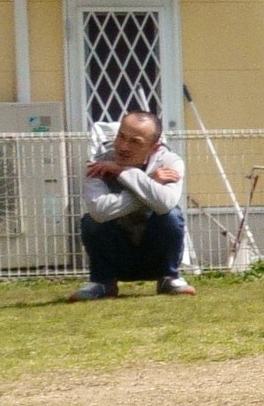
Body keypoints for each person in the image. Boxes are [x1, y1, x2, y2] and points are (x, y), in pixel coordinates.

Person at [76, 108, 194, 298]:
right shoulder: (98, 164)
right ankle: (103, 282)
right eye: (121, 137)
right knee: (91, 221)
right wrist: (150, 184)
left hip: (154, 253)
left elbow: (165, 203)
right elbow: (100, 210)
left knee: (172, 215)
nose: (123, 147)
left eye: (135, 142)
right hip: (117, 254)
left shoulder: (170, 162)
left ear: (154, 147)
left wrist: (122, 172)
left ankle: (168, 278)